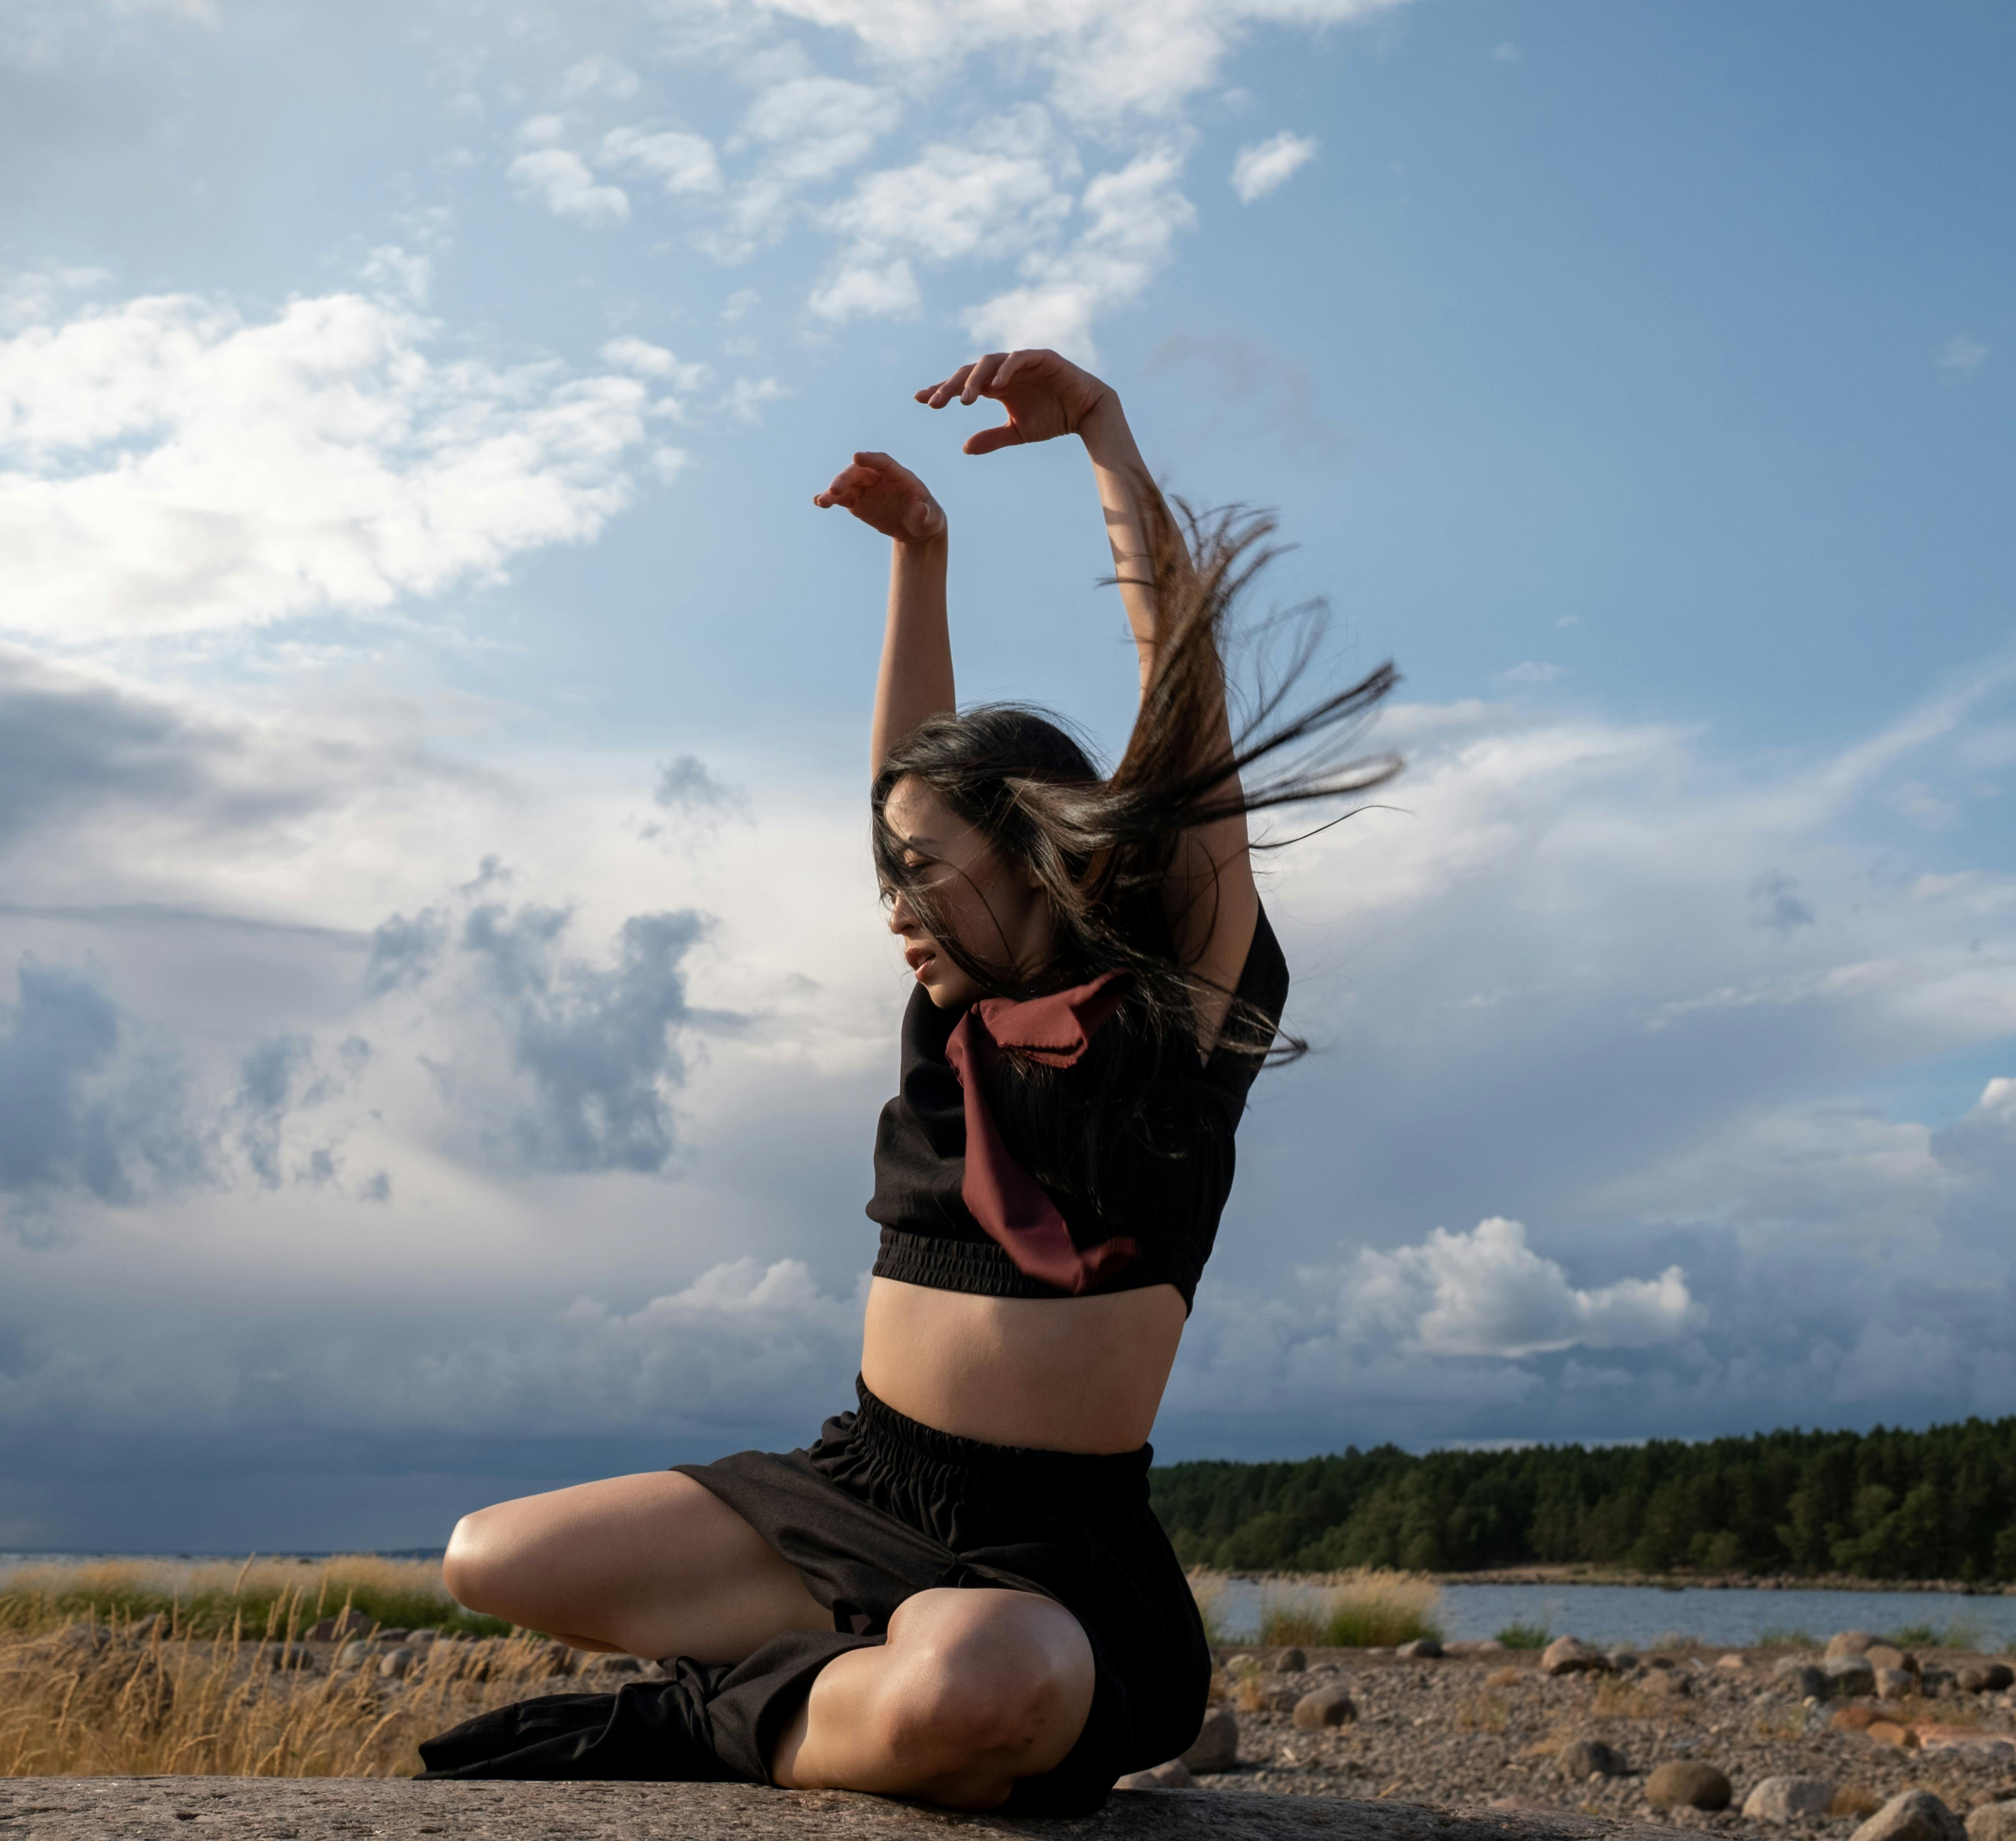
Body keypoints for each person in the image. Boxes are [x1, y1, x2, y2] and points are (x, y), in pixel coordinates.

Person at [417, 348, 1397, 1813]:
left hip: (1044, 1554)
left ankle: (717, 1720)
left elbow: (1177, 686)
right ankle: (822, 1667)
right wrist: (918, 561)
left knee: (977, 1695)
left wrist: (1105, 442)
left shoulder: (1176, 1016)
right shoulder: (947, 1023)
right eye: (890, 875)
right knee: (487, 1555)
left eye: (926, 872)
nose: (893, 903)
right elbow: (902, 788)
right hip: (857, 1489)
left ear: (1029, 852)